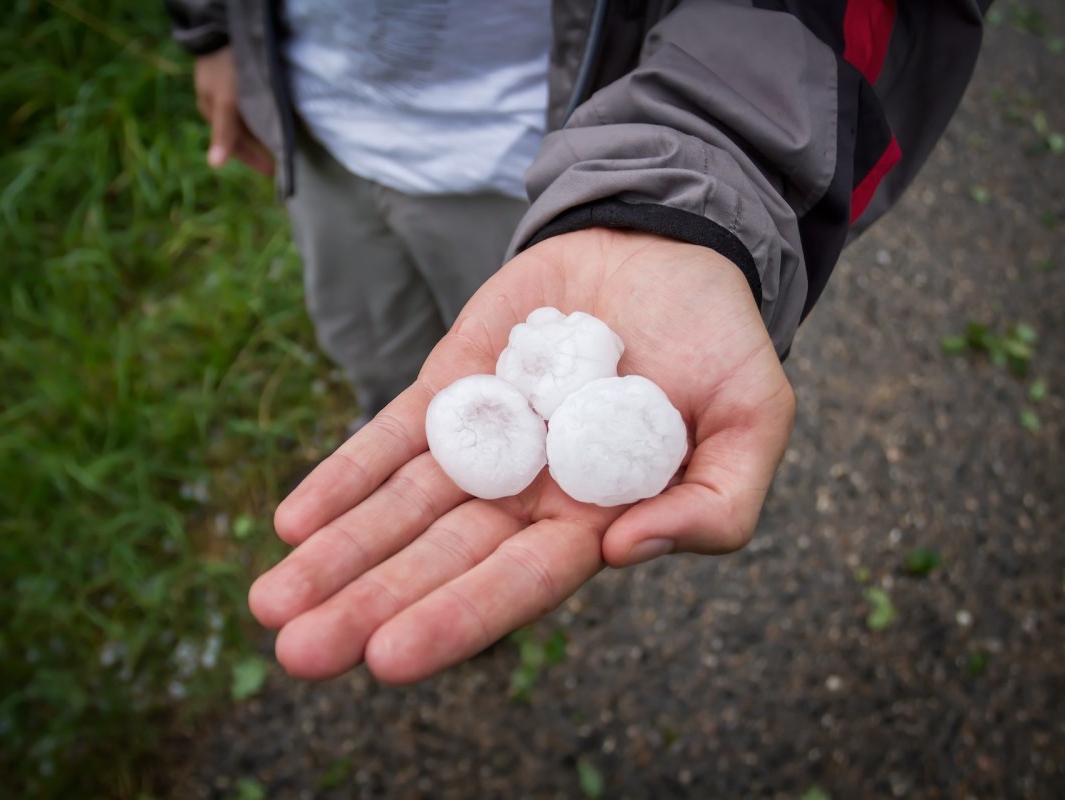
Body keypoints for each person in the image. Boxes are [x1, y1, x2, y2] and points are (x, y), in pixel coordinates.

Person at [167, 0, 989, 684]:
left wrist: (704, 184)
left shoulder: (578, 375)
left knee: (440, 351)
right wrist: (209, 30)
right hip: (316, 122)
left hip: (549, 148)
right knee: (378, 355)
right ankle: (400, 470)